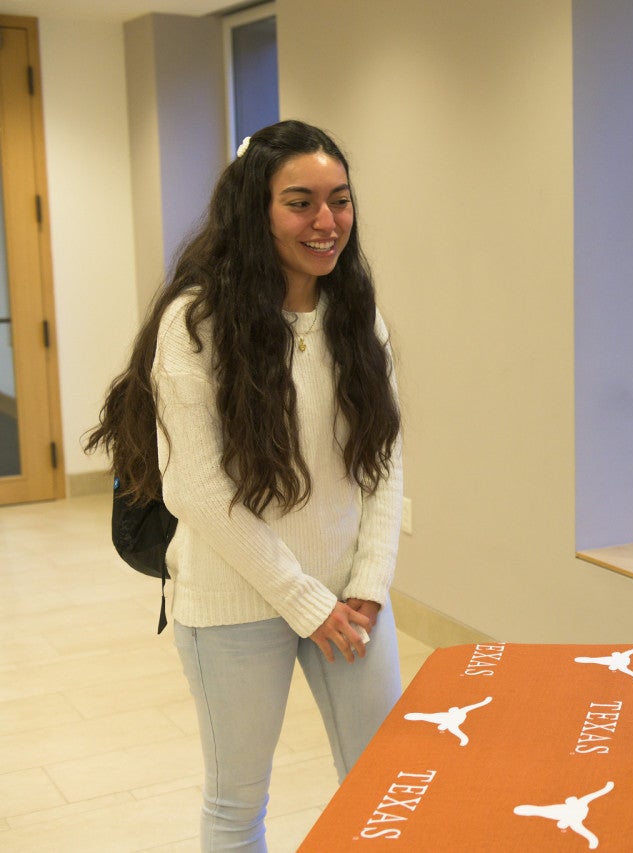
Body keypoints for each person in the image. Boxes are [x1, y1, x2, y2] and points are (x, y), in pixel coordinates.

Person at [85, 120, 404, 851]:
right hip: (232, 600)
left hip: (350, 599)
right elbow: (197, 490)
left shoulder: (358, 318)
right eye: (301, 202)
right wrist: (305, 602)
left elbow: (382, 460)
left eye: (340, 200)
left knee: (383, 785)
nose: (327, 222)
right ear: (254, 211)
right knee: (237, 805)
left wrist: (371, 579)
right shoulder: (193, 323)